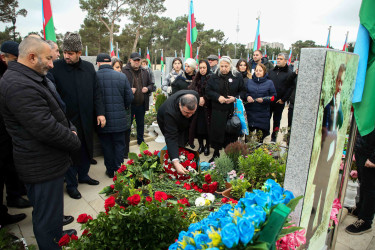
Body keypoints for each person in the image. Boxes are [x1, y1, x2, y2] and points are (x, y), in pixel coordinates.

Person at [0, 36, 81, 250]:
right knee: (46, 216)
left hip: (48, 161)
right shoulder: (18, 85)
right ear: (32, 57)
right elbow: (45, 127)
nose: (53, 64)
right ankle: (51, 244)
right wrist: (73, 140)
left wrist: (70, 126)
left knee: (52, 211)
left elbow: (56, 111)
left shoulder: (30, 76)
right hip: (40, 164)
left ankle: (57, 235)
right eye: (48, 58)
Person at [50, 32, 106, 199]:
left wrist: (101, 113)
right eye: (65, 52)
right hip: (66, 120)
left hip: (87, 118)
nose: (66, 56)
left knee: (86, 148)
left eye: (71, 53)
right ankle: (72, 185)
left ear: (79, 53)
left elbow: (97, 93)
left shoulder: (88, 68)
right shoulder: (56, 68)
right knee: (70, 152)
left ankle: (83, 175)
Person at [0, 41, 29, 228]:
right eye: (15, 59)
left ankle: (14, 197)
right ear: (4, 57)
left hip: (8, 133)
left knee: (9, 166)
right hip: (3, 133)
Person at [96, 53, 133, 177]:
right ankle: (119, 168)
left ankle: (110, 170)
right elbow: (129, 97)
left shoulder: (94, 77)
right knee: (119, 144)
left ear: (98, 63)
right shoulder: (121, 77)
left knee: (106, 146)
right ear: (110, 64)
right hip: (120, 119)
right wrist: (123, 107)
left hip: (102, 120)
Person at [206, 56, 246, 162]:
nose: (224, 68)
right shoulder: (214, 76)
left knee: (231, 132)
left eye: (226, 66)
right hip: (218, 109)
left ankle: (230, 154)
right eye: (222, 66)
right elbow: (208, 90)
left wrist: (235, 98)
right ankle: (216, 153)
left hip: (231, 110)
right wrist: (217, 97)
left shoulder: (237, 76)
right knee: (217, 132)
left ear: (230, 66)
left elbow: (243, 91)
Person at [157, 90, 199, 174]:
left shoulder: (195, 96)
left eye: (192, 112)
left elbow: (189, 116)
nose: (190, 115)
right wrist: (175, 162)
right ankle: (170, 161)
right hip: (165, 120)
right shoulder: (169, 113)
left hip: (182, 120)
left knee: (183, 140)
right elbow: (171, 137)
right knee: (174, 141)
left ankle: (179, 156)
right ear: (180, 105)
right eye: (187, 112)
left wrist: (187, 115)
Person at [345, 129, 375, 235]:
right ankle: (360, 209)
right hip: (363, 147)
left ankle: (366, 221)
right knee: (363, 183)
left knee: (370, 188)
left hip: (370, 151)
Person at [122, 52, 155, 148]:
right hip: (129, 105)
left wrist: (148, 88)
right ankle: (125, 145)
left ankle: (141, 141)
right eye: (135, 60)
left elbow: (152, 85)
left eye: (138, 60)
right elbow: (120, 86)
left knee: (141, 125)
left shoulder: (145, 71)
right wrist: (128, 90)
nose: (137, 62)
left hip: (141, 104)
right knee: (128, 126)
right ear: (130, 60)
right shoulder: (124, 71)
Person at [268, 53, 297, 142]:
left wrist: (284, 99)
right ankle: (263, 135)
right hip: (269, 100)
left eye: (281, 59)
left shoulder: (289, 73)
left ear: (285, 61)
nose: (278, 60)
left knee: (276, 121)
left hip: (279, 101)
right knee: (265, 119)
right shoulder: (271, 71)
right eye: (278, 58)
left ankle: (274, 138)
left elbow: (290, 88)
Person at [245, 63, 276, 142]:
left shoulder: (269, 83)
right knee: (248, 138)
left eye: (260, 70)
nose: (258, 72)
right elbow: (245, 93)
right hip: (250, 112)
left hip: (262, 113)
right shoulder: (249, 81)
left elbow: (273, 97)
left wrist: (264, 99)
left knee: (260, 138)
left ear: (264, 72)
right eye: (256, 70)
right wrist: (247, 97)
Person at [188, 60, 211, 156]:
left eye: (204, 68)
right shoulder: (196, 78)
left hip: (209, 108)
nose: (202, 70)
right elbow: (191, 90)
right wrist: (198, 99)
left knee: (208, 128)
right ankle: (201, 145)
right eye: (200, 68)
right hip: (198, 107)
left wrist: (205, 99)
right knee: (199, 128)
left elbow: (213, 92)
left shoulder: (212, 78)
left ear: (207, 68)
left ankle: (207, 146)